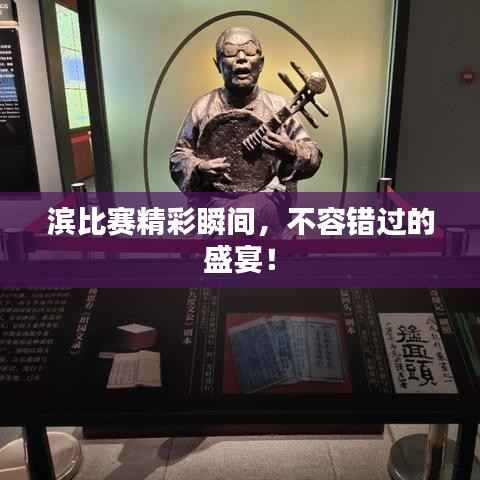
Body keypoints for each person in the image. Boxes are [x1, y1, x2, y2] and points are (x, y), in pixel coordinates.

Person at [170, 26, 322, 194]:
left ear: (261, 63)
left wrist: (292, 150)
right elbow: (178, 157)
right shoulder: (203, 107)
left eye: (249, 52)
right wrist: (199, 167)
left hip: (268, 201)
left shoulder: (278, 105)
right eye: (230, 53)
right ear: (218, 64)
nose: (241, 58)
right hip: (215, 203)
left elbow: (313, 154)